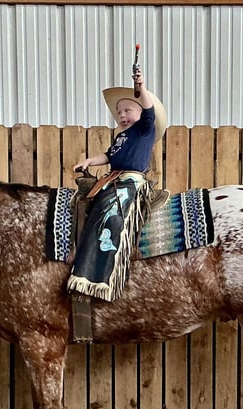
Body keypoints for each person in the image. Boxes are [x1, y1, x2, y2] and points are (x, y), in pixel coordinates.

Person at [67, 68, 168, 303]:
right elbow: (108, 156)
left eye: (128, 110)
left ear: (141, 112)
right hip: (112, 179)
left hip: (131, 182)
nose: (122, 115)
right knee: (91, 207)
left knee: (112, 216)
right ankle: (82, 259)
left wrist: (140, 87)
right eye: (119, 112)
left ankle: (102, 276)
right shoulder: (121, 137)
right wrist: (90, 161)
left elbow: (149, 108)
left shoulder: (145, 129)